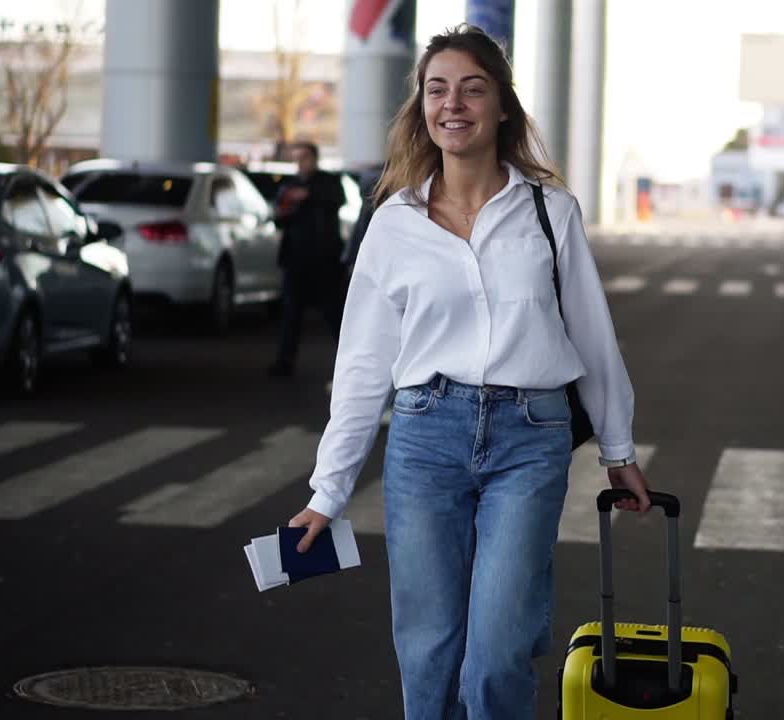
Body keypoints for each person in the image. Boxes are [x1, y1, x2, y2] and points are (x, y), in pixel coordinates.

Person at [286, 24, 651, 720]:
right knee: (428, 650)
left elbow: (594, 340)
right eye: (437, 89)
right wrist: (328, 489)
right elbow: (363, 365)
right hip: (426, 437)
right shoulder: (393, 224)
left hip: (530, 437)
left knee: (498, 652)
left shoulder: (550, 212)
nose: (453, 104)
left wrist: (619, 449)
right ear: (421, 108)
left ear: (502, 106)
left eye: (472, 88)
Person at [269, 141, 347, 377]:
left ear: (314, 158)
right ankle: (285, 361)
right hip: (296, 259)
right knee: (291, 312)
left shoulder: (328, 182)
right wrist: (287, 206)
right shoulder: (289, 185)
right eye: (298, 158)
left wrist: (308, 195)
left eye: (305, 157)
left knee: (335, 313)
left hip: (325, 260)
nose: (301, 163)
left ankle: (349, 362)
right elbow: (279, 217)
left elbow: (336, 199)